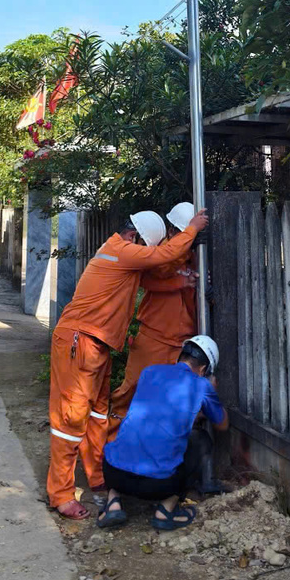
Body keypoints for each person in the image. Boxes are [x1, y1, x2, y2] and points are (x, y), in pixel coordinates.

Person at [47, 207, 209, 520]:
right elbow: (162, 259)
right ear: (135, 237)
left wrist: (184, 283)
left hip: (98, 346)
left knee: (97, 415)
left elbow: (152, 282)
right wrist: (192, 229)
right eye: (148, 248)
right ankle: (61, 494)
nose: (148, 254)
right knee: (70, 421)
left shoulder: (120, 257)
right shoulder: (121, 249)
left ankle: (99, 479)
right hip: (80, 342)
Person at [98, 335, 227, 531]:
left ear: (180, 357)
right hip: (157, 486)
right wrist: (212, 390)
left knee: (126, 441)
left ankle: (113, 503)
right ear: (204, 369)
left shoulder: (149, 372)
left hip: (114, 474)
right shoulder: (202, 386)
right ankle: (165, 511)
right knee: (201, 441)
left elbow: (157, 409)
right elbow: (222, 424)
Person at [108, 202, 198, 433]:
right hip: (152, 338)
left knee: (168, 406)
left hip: (182, 343)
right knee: (130, 394)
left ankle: (154, 460)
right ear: (171, 232)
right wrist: (184, 253)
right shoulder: (162, 254)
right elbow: (156, 273)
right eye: (179, 232)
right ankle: (109, 452)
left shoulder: (200, 259)